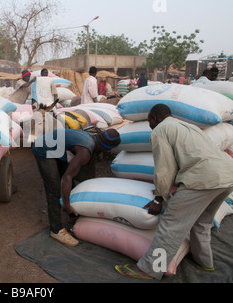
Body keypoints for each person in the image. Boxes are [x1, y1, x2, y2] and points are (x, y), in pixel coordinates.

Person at [115, 104, 233, 280]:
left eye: (149, 121)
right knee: (202, 222)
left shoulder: (160, 130)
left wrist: (159, 198)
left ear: (154, 118)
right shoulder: (188, 127)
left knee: (170, 226)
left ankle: (150, 269)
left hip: (202, 179)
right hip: (227, 175)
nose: (149, 125)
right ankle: (205, 262)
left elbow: (165, 168)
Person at [32, 128, 121, 246]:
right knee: (54, 189)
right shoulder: (85, 150)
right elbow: (67, 177)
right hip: (43, 149)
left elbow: (90, 168)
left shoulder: (93, 139)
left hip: (56, 148)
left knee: (71, 179)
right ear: (107, 148)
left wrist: (93, 187)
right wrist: (66, 204)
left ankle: (72, 215)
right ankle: (56, 230)